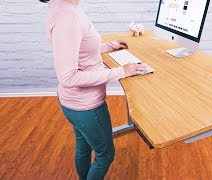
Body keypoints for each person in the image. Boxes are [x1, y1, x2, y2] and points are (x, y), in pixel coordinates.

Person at [40, 0, 146, 179]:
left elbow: (81, 48)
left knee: (83, 147)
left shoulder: (61, 6)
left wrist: (110, 46)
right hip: (85, 107)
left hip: (72, 103)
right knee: (105, 155)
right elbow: (68, 77)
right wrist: (120, 72)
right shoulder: (68, 17)